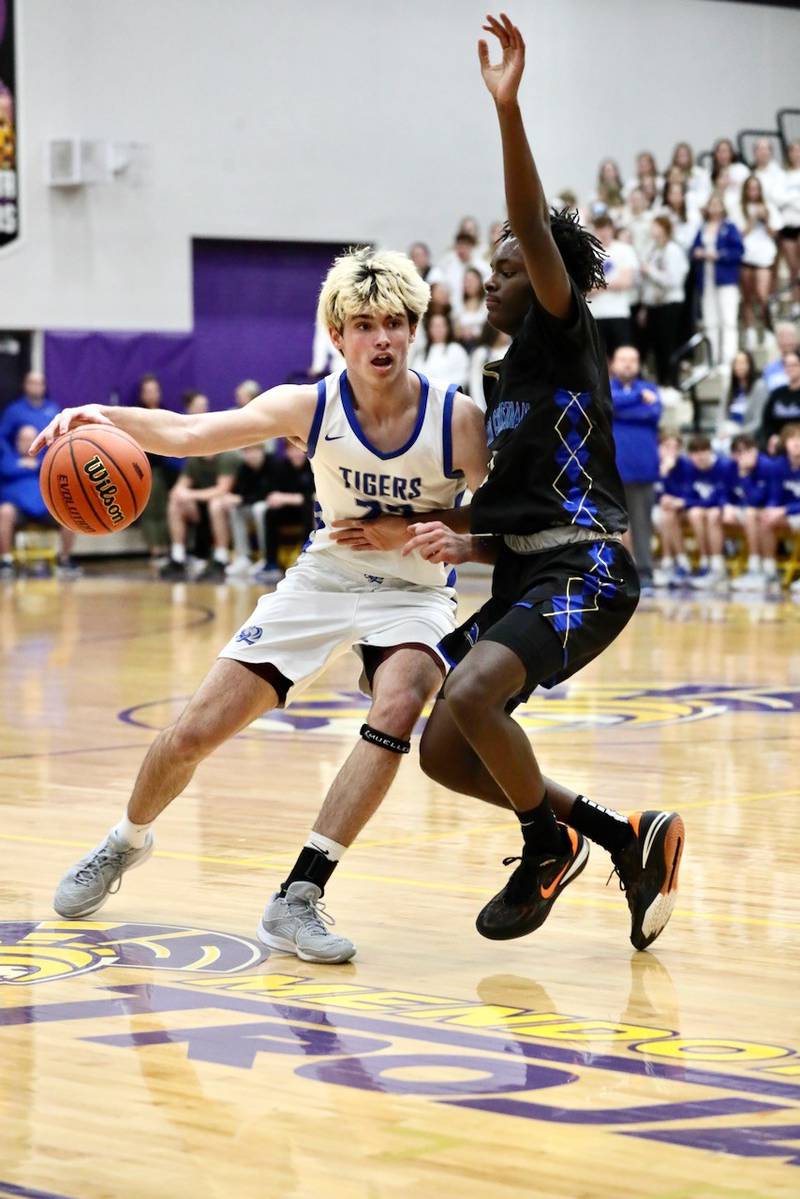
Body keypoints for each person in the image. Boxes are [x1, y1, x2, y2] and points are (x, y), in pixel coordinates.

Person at [31, 246, 489, 964]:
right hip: (324, 580)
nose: (381, 338)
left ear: (414, 330)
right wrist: (100, 415)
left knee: (400, 699)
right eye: (363, 324)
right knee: (191, 733)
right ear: (337, 336)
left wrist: (440, 534)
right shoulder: (308, 406)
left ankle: (298, 896)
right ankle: (124, 841)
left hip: (414, 593)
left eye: (395, 323)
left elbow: (522, 519)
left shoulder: (459, 422)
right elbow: (188, 435)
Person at [343, 15, 684, 953]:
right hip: (530, 572)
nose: (488, 286)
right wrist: (451, 531)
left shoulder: (566, 337)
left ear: (544, 284)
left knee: (473, 694)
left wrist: (508, 108)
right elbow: (516, 512)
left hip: (592, 573)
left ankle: (545, 842)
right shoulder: (500, 387)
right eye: (491, 273)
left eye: (503, 274)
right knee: (443, 747)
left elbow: (533, 225)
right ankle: (619, 837)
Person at [0, 370, 79, 576]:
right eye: (32, 383)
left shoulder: (53, 411)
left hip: (46, 503)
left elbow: (62, 442)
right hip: (19, 507)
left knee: (71, 509)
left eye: (40, 383)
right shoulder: (14, 412)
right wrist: (20, 463)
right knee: (5, 512)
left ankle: (65, 560)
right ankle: (6, 562)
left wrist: (38, 463)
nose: (36, 387)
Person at [609, 346, 661, 591]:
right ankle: (615, 571)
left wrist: (623, 409)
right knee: (611, 528)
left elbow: (653, 412)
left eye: (633, 360)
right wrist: (637, 400)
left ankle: (646, 572)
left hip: (642, 470)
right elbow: (607, 405)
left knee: (642, 526)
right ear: (614, 363)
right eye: (623, 360)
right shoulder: (608, 388)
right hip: (612, 471)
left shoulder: (650, 389)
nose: (628, 364)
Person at [160, 444, 241, 582]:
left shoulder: (228, 456)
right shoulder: (195, 458)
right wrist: (182, 495)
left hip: (233, 505)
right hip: (202, 506)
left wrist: (190, 495)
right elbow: (177, 490)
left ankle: (221, 559)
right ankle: (178, 557)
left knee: (216, 504)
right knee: (176, 504)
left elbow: (222, 490)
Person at [691, 193, 744, 365]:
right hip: (707, 280)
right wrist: (698, 252)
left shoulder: (729, 227)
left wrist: (719, 255)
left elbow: (739, 251)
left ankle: (729, 360)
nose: (714, 207)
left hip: (726, 279)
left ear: (722, 207)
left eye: (717, 203)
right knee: (710, 321)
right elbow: (693, 249)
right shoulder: (702, 227)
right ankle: (711, 360)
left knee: (728, 321)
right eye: (711, 203)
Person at [134, 374, 181, 566]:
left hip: (164, 469)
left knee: (163, 510)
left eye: (155, 390)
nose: (152, 394)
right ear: (143, 394)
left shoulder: (165, 413)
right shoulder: (136, 415)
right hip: (144, 469)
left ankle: (166, 549)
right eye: (148, 391)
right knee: (150, 511)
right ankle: (155, 550)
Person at [209, 442, 276, 578]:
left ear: (262, 451)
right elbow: (240, 492)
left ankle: (266, 557)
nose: (250, 455)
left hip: (274, 510)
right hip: (252, 506)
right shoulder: (244, 468)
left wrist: (241, 499)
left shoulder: (273, 464)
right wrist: (231, 498)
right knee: (235, 510)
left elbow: (268, 493)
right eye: (246, 451)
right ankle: (243, 557)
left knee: (260, 509)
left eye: (253, 451)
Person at [254, 440, 316, 582]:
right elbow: (270, 492)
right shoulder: (280, 468)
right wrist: (275, 498)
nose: (296, 453)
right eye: (292, 450)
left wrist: (289, 498)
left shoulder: (313, 467)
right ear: (287, 452)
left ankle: (305, 557)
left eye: (299, 449)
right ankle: (271, 562)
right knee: (270, 513)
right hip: (286, 511)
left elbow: (314, 496)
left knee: (309, 509)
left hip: (305, 510)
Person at [639, 215, 688, 385]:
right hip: (654, 304)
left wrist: (650, 271)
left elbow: (673, 280)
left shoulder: (673, 250)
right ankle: (661, 381)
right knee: (657, 348)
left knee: (668, 346)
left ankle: (672, 382)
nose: (652, 230)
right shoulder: (652, 249)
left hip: (670, 303)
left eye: (656, 226)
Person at [725, 434, 774, 592]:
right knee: (706, 514)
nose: (745, 456)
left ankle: (762, 568)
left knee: (754, 514)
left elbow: (756, 499)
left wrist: (745, 475)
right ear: (733, 455)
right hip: (741, 510)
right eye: (739, 452)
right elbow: (722, 493)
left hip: (765, 511)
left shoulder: (766, 466)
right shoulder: (730, 467)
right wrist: (726, 505)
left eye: (749, 450)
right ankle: (713, 566)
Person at [681, 434, 730, 589]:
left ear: (711, 451)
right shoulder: (689, 469)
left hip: (722, 510)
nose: (700, 456)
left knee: (712, 513)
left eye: (704, 451)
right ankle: (704, 560)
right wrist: (696, 504)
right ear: (690, 455)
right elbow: (687, 497)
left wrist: (697, 503)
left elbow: (721, 497)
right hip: (701, 511)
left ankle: (717, 565)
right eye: (696, 453)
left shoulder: (723, 467)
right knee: (695, 513)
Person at [588, 213, 638, 356]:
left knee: (621, 355)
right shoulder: (587, 252)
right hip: (595, 314)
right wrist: (611, 284)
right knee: (599, 359)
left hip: (618, 312)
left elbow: (625, 282)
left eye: (606, 228)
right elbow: (585, 287)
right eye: (599, 228)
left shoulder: (624, 250)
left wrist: (598, 285)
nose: (603, 233)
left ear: (612, 229)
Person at [738, 175, 779, 347]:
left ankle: (768, 329)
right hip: (745, 256)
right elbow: (739, 234)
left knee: (763, 295)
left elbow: (774, 233)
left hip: (764, 258)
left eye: (756, 188)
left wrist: (766, 219)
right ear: (746, 190)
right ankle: (750, 331)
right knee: (747, 297)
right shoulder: (738, 208)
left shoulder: (768, 207)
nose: (753, 191)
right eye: (750, 188)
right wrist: (752, 219)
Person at [760, 422, 800, 594]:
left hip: (793, 511)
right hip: (789, 513)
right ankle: (768, 571)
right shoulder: (777, 465)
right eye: (792, 438)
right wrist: (771, 509)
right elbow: (774, 495)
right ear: (784, 442)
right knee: (765, 519)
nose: (797, 442)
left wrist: (783, 510)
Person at [714, 350, 768, 448]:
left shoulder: (760, 387)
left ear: (750, 365)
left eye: (743, 363)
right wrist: (721, 430)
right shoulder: (729, 389)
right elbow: (720, 415)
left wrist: (736, 434)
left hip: (747, 437)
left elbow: (758, 422)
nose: (739, 366)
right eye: (736, 363)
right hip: (728, 433)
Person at [411, 311, 470, 391]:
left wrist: (441, 387)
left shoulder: (456, 349)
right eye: (434, 326)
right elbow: (416, 375)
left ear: (448, 328)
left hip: (450, 396)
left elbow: (464, 376)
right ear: (429, 329)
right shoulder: (423, 352)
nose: (438, 329)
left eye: (441, 326)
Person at [760, 349, 800, 452]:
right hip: (779, 444)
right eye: (787, 365)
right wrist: (772, 437)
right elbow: (767, 421)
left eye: (794, 365)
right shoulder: (777, 393)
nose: (790, 369)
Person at [777, 140, 800, 314]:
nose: (796, 154)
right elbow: (778, 198)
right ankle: (795, 302)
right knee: (793, 268)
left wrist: (790, 199)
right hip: (788, 226)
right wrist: (793, 199)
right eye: (793, 150)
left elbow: (787, 198)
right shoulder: (782, 175)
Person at [763, 322, 799, 394]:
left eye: (790, 337)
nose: (787, 342)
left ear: (796, 341)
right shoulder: (769, 369)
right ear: (777, 343)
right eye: (783, 337)